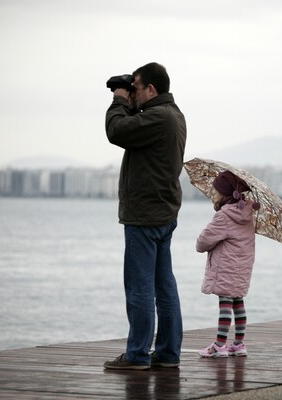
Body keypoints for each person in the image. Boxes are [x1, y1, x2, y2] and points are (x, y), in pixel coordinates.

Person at [103, 62, 187, 370]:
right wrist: (128, 96)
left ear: (151, 89)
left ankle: (137, 355)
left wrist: (118, 99)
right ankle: (167, 353)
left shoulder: (159, 117)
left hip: (144, 217)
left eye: (136, 88)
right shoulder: (173, 115)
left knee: (139, 288)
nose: (132, 93)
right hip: (163, 214)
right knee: (164, 287)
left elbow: (117, 130)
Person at [196, 171, 260, 358]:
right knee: (238, 302)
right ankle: (238, 344)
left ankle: (219, 345)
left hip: (226, 267)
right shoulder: (247, 214)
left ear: (224, 194)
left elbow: (203, 242)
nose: (213, 194)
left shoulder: (224, 216)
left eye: (216, 191)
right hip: (243, 267)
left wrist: (204, 243)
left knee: (225, 303)